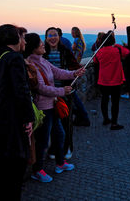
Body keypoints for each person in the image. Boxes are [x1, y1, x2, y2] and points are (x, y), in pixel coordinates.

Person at [24, 33, 85, 183]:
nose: (43, 44)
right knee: (43, 141)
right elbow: (40, 88)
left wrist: (74, 73)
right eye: (40, 43)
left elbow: (58, 72)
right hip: (43, 108)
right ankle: (37, 170)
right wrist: (61, 91)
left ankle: (60, 163)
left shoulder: (43, 61)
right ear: (33, 48)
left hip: (52, 105)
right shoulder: (31, 65)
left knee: (60, 135)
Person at [0, 24, 35, 201]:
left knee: (2, 175)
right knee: (13, 175)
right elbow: (21, 91)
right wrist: (29, 119)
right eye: (22, 38)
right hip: (10, 125)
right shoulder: (14, 58)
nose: (25, 41)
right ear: (15, 39)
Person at [43, 27, 90, 160]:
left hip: (65, 92)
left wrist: (76, 71)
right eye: (50, 35)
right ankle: (54, 148)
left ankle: (67, 147)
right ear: (46, 38)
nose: (52, 37)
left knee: (65, 122)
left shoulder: (65, 51)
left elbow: (74, 65)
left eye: (55, 35)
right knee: (52, 124)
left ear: (59, 36)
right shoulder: (43, 53)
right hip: (49, 93)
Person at [93, 31, 130, 130]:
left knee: (104, 100)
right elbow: (127, 53)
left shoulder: (99, 51)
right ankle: (114, 123)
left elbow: (95, 61)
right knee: (115, 102)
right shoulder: (117, 49)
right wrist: (117, 45)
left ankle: (105, 118)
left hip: (103, 80)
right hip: (116, 80)